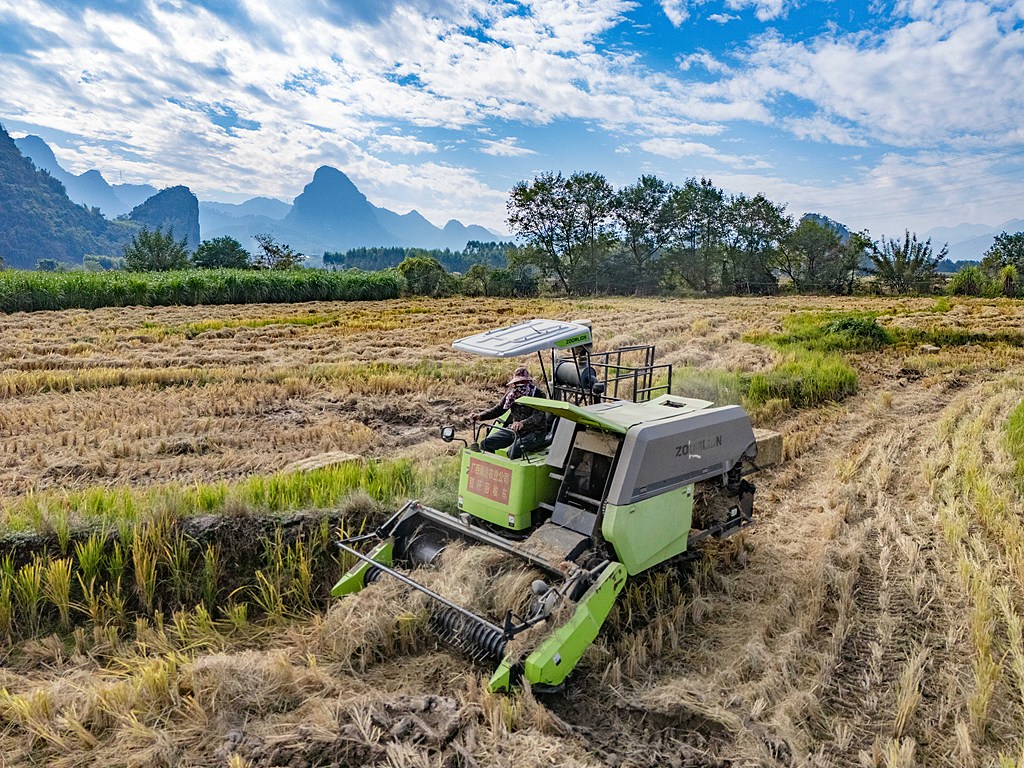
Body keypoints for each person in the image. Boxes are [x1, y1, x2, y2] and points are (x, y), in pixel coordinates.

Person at [473, 366, 547, 458]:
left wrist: (522, 423)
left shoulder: (539, 394)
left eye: (522, 382)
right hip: (515, 430)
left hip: (535, 432)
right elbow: (499, 409)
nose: (520, 385)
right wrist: (480, 416)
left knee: (513, 451)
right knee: (486, 443)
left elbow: (537, 416)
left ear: (528, 381)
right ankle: (492, 467)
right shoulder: (511, 395)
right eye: (517, 383)